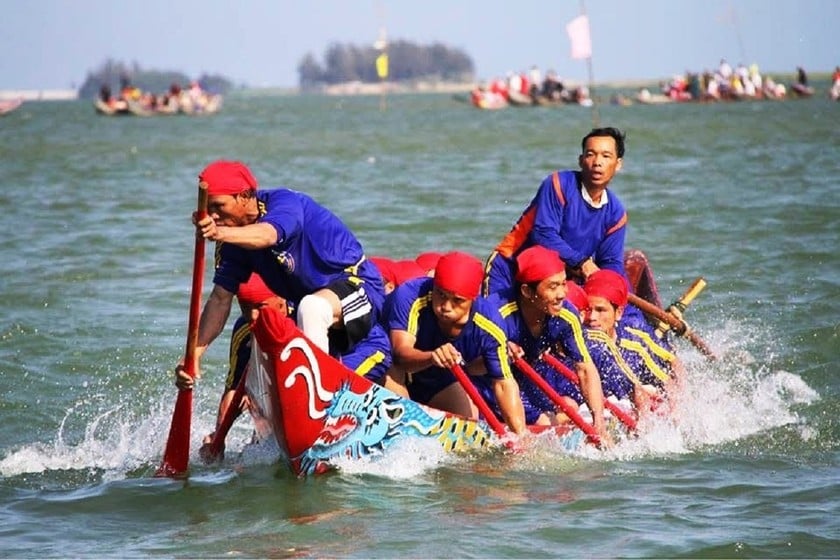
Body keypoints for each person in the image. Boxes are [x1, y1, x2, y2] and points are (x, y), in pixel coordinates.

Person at [175, 160, 387, 390]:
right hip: (311, 310)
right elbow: (219, 299)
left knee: (312, 307)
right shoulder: (233, 243)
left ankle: (316, 393)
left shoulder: (285, 204)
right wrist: (194, 357)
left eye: (218, 206)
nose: (213, 215)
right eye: (208, 209)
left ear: (245, 196)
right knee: (285, 329)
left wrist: (220, 233)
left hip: (359, 288)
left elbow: (268, 235)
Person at [383, 251, 527, 435]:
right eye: (440, 294)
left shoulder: (491, 323)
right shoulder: (410, 296)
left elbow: (504, 384)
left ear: (473, 298)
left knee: (469, 429)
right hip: (393, 368)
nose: (446, 306)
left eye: (457, 300)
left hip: (436, 376)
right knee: (394, 375)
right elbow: (400, 356)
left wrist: (520, 437)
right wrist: (432, 356)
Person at [484, 127, 628, 297]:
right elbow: (543, 235)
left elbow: (611, 263)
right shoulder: (558, 184)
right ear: (581, 160)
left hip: (551, 285)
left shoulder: (616, 214)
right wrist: (581, 263)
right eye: (590, 154)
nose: (597, 162)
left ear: (618, 164)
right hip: (508, 270)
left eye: (606, 156)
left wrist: (612, 288)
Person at [491, 245, 609, 439]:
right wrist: (497, 348)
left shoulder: (566, 315)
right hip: (487, 382)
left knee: (566, 409)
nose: (562, 294)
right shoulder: (497, 314)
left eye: (563, 283)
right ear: (527, 292)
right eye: (553, 287)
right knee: (543, 421)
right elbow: (470, 362)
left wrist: (599, 422)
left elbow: (585, 369)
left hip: (522, 382)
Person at [199, 272, 287, 461]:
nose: (252, 316)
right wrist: (219, 437)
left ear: (281, 301)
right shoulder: (244, 329)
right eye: (246, 308)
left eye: (260, 307)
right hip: (271, 401)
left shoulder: (302, 312)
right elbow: (232, 390)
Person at [582, 269, 682, 410]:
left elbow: (672, 368)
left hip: (638, 402)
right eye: (586, 309)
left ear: (618, 313)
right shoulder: (572, 339)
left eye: (600, 310)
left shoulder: (636, 340)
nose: (591, 317)